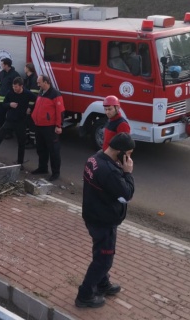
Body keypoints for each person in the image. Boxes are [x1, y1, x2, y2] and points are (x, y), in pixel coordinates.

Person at [75, 132, 135, 309]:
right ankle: (85, 295)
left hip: (93, 215)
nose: (130, 158)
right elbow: (126, 194)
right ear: (121, 152)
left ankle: (102, 284)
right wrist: (128, 173)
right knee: (104, 260)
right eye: (129, 154)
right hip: (103, 220)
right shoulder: (109, 171)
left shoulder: (95, 158)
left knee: (100, 252)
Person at [0, 77, 36, 166]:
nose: (14, 88)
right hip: (10, 120)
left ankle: (20, 163)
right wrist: (9, 104)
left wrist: (30, 108)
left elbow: (36, 100)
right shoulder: (10, 92)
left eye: (16, 87)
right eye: (13, 86)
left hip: (21, 121)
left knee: (21, 143)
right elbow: (3, 104)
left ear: (21, 86)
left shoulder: (27, 94)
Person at [30, 75, 64, 181]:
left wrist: (59, 126)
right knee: (41, 149)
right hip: (39, 126)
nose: (38, 84)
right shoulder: (41, 92)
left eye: (39, 82)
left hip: (50, 128)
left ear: (46, 82)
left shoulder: (55, 94)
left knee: (53, 151)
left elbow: (60, 111)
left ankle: (55, 173)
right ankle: (42, 168)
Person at [0, 58, 21, 131]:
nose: (1, 65)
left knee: (9, 117)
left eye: (2, 64)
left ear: (6, 65)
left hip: (10, 101)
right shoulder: (2, 73)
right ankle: (3, 130)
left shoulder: (15, 74)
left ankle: (9, 133)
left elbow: (18, 88)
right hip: (1, 101)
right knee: (0, 115)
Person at [23, 62, 40, 148]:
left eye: (25, 67)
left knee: (31, 124)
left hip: (32, 106)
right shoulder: (28, 78)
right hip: (27, 105)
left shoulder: (34, 79)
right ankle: (27, 139)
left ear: (28, 68)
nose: (24, 68)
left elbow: (33, 96)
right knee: (26, 123)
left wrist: (29, 107)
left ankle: (33, 142)